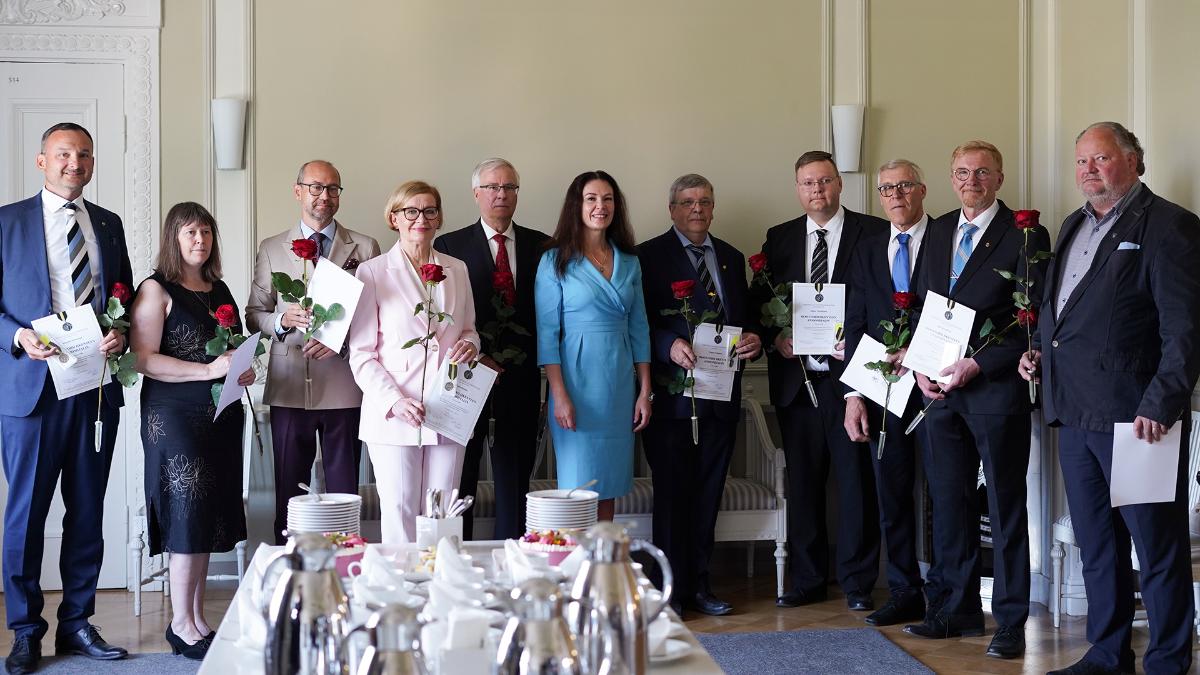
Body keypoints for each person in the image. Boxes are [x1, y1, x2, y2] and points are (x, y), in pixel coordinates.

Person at [1021, 122, 1200, 675]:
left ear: (1133, 163)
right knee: (1097, 547)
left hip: (1138, 419)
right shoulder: (1075, 224)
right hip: (1073, 415)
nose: (1088, 170)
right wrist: (1038, 354)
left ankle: (1168, 662)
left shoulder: (1171, 227)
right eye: (1080, 162)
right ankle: (1107, 654)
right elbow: (1064, 312)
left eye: (1100, 159)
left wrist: (1161, 403)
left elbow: (1186, 330)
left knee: (1157, 550)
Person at [903, 141, 1050, 661]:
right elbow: (924, 306)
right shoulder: (939, 230)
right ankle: (956, 608)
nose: (971, 180)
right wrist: (919, 364)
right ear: (950, 176)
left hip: (993, 391)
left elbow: (1031, 320)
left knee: (1005, 507)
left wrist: (979, 364)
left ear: (999, 178)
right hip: (938, 392)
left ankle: (1010, 621)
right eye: (962, 172)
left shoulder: (1026, 234)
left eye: (982, 172)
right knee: (948, 503)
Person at [0, 122, 133, 673]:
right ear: (41, 161)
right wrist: (16, 334)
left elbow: (121, 294)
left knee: (87, 510)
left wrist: (120, 333)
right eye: (62, 154)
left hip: (92, 386)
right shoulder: (7, 222)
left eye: (83, 155)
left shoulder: (107, 224)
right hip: (30, 391)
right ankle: (26, 629)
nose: (73, 163)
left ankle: (77, 623)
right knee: (25, 516)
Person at [754, 150, 886, 611]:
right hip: (798, 386)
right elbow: (760, 305)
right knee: (805, 487)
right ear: (797, 189)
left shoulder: (872, 231)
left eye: (825, 181)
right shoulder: (780, 238)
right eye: (808, 183)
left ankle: (856, 582)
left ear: (839, 184)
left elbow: (883, 303)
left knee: (855, 487)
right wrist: (778, 339)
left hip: (852, 384)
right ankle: (808, 580)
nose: (817, 191)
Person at [128, 202, 254, 659]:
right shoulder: (155, 288)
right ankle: (181, 625)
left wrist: (240, 370)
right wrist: (207, 372)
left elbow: (233, 350)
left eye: (206, 232)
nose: (199, 240)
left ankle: (198, 618)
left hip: (220, 416)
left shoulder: (219, 289)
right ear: (173, 239)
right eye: (189, 233)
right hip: (174, 416)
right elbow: (142, 359)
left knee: (206, 515)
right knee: (185, 512)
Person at [638, 174, 762, 617]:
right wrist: (667, 344)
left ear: (713, 207)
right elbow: (637, 323)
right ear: (671, 209)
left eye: (704, 201)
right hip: (671, 401)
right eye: (687, 202)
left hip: (720, 398)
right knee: (673, 496)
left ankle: (701, 586)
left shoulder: (729, 257)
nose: (696, 209)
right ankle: (667, 590)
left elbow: (745, 320)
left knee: (708, 495)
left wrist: (753, 340)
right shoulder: (647, 256)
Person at [245, 160, 381, 544]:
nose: (325, 196)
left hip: (344, 385)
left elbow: (376, 317)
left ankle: (346, 567)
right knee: (289, 492)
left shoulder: (366, 246)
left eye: (333, 189)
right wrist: (282, 321)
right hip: (290, 386)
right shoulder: (271, 247)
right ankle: (289, 570)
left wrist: (338, 339)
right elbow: (254, 315)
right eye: (316, 187)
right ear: (298, 190)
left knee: (344, 491)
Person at [347, 181, 479, 544]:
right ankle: (403, 595)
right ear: (395, 218)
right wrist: (394, 401)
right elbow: (362, 354)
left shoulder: (458, 269)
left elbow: (469, 330)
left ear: (439, 218)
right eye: (412, 211)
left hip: (449, 406)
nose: (421, 218)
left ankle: (442, 589)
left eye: (430, 211)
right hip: (394, 411)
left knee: (443, 510)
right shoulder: (372, 272)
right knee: (402, 509)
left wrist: (469, 344)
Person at [842, 159, 941, 627]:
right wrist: (853, 396)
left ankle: (947, 592)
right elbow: (857, 321)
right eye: (886, 189)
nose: (896, 195)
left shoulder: (946, 238)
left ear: (922, 190)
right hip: (882, 387)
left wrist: (919, 352)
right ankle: (904, 590)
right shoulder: (867, 248)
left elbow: (955, 310)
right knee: (892, 492)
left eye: (904, 186)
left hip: (940, 384)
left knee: (945, 493)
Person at [434, 158, 549, 540]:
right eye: (493, 187)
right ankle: (457, 559)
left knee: (515, 477)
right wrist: (478, 353)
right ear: (476, 193)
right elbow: (441, 314)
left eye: (510, 187)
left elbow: (547, 312)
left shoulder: (542, 245)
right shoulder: (450, 245)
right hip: (466, 375)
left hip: (521, 377)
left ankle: (513, 556)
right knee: (460, 474)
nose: (502, 194)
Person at [534, 170, 651, 522]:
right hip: (575, 382)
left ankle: (600, 566)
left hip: (618, 384)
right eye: (592, 199)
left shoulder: (630, 261)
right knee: (579, 485)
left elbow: (639, 327)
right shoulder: (554, 261)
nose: (601, 206)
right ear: (577, 205)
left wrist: (645, 391)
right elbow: (547, 333)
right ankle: (574, 569)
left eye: (608, 199)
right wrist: (559, 394)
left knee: (610, 485)